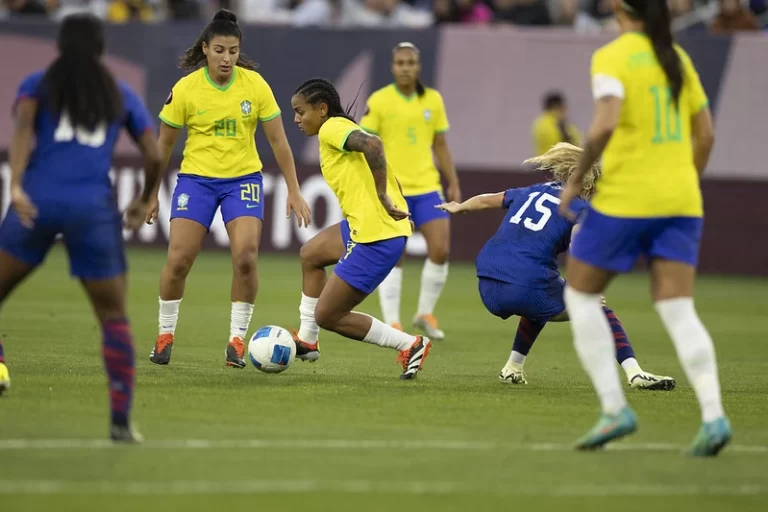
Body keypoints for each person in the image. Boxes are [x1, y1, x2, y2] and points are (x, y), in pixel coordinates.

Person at [559, 0, 729, 456]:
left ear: (619, 8)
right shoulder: (676, 58)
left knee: (579, 294)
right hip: (681, 200)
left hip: (626, 200)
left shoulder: (613, 56)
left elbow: (607, 121)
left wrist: (576, 177)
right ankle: (713, 417)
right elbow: (706, 135)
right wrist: (683, 184)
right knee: (678, 308)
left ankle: (615, 409)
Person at [0, 13, 162, 443]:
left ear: (60, 44)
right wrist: (145, 198)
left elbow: (21, 129)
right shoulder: (118, 92)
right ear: (101, 48)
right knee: (112, 317)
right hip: (91, 208)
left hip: (35, 200)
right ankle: (121, 422)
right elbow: (154, 154)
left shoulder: (38, 83)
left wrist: (16, 185)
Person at [146, 10, 311, 369]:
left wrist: (294, 190)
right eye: (219, 50)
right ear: (205, 48)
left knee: (247, 257)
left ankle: (237, 340)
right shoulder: (186, 89)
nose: (226, 58)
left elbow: (279, 142)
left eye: (233, 51)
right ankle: (165, 334)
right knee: (178, 261)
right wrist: (150, 191)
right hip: (196, 181)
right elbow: (163, 145)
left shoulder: (255, 85)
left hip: (243, 180)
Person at [436, 143, 675, 390]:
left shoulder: (533, 190)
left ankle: (512, 367)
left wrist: (460, 207)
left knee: (544, 296)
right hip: (525, 283)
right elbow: (578, 246)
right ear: (591, 185)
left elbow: (487, 201)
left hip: (487, 280)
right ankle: (634, 372)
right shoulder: (581, 208)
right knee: (597, 308)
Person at [290, 78, 432, 380]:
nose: (296, 119)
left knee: (328, 315)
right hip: (364, 227)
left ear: (322, 109)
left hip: (376, 237)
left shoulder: (331, 128)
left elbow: (373, 145)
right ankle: (307, 340)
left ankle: (411, 344)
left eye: (301, 111)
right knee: (311, 254)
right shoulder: (338, 128)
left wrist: (382, 196)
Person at [360, 42, 460, 341]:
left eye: (410, 63)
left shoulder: (433, 100)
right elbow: (365, 142)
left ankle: (424, 313)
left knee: (440, 249)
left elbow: (440, 144)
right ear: (393, 67)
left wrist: (452, 180)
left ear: (418, 66)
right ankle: (393, 321)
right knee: (395, 255)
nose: (405, 67)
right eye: (400, 62)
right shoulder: (379, 101)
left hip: (428, 186)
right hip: (395, 188)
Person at [531, 92, 582, 157]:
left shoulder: (539, 123)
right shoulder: (561, 124)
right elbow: (575, 144)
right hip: (559, 163)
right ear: (558, 106)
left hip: (542, 162)